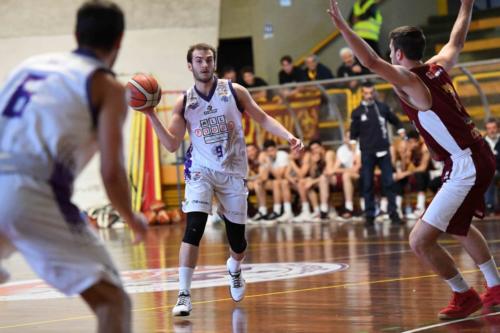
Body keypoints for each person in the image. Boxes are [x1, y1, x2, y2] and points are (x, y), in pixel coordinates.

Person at [328, 0, 500, 319]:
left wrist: (343, 29)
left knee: (420, 241)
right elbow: (456, 41)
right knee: (459, 226)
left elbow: (368, 60)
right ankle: (495, 286)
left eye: (391, 51)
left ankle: (464, 294)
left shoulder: (410, 81)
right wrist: (466, 5)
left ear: (397, 53)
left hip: (466, 164)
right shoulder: (437, 66)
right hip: (478, 155)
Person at [0, 1, 148, 332]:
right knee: (113, 300)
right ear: (119, 40)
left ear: (76, 33)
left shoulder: (30, 65)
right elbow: (111, 173)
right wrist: (132, 219)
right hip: (30, 191)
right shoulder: (107, 87)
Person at [140, 43, 302, 316]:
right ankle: (183, 294)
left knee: (237, 242)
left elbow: (261, 118)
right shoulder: (185, 101)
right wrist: (151, 114)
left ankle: (235, 268)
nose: (204, 65)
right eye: (199, 61)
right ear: (190, 66)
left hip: (233, 171)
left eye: (209, 60)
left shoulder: (234, 91)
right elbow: (171, 144)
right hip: (200, 170)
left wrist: (288, 136)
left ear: (214, 63)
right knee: (194, 227)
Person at [350, 82, 404, 226]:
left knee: (389, 183)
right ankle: (369, 215)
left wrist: (401, 129)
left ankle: (393, 213)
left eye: (371, 92)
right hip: (367, 152)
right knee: (367, 183)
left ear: (374, 92)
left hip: (383, 151)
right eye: (366, 93)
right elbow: (353, 135)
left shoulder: (382, 108)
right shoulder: (357, 112)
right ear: (362, 93)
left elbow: (395, 120)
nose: (369, 95)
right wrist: (353, 151)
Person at [484, 118, 499, 214]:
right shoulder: (482, 143)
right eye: (489, 128)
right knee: (488, 177)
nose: (492, 130)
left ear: (498, 128)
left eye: (494, 127)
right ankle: (489, 206)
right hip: (489, 172)